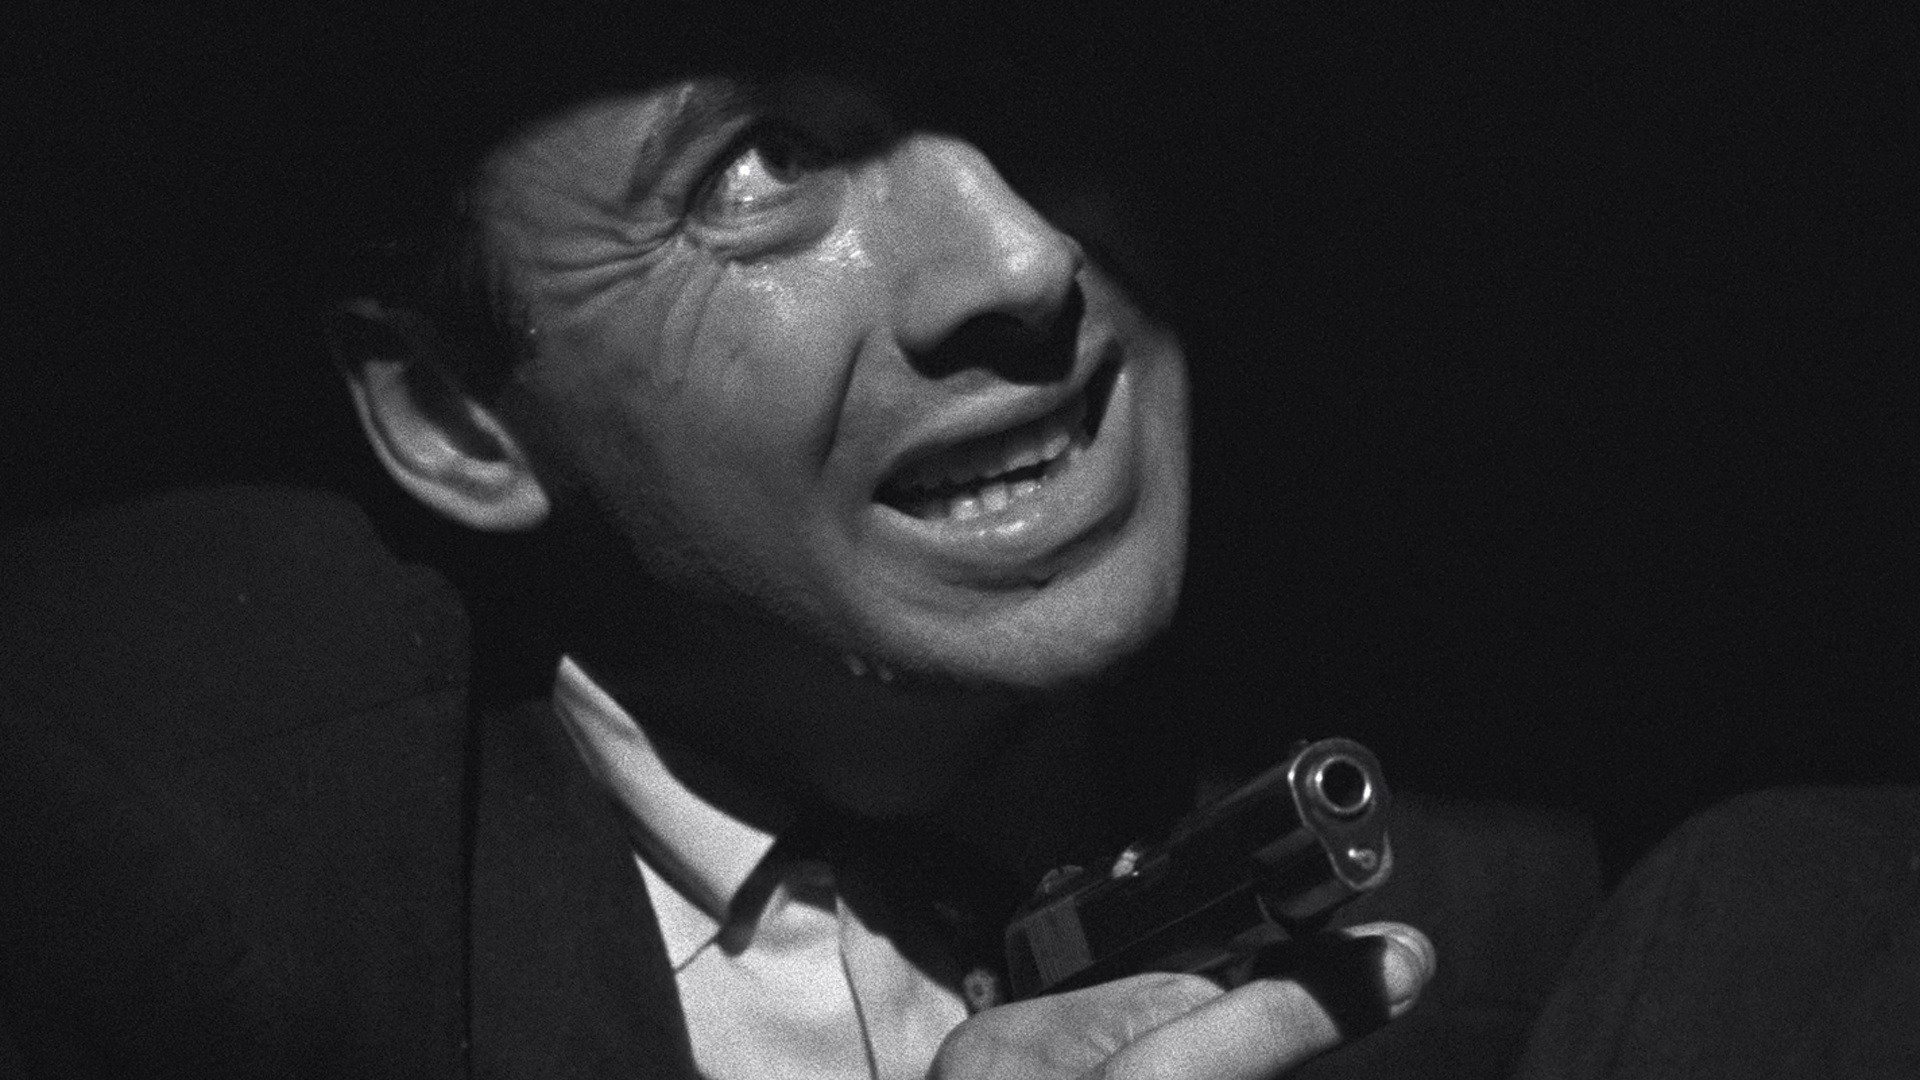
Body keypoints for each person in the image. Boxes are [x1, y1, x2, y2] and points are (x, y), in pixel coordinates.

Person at [0, 20, 1593, 1080]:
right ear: (454, 418)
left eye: (1008, 72)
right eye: (757, 168)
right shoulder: (196, 906)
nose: (1022, 258)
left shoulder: (1518, 934)